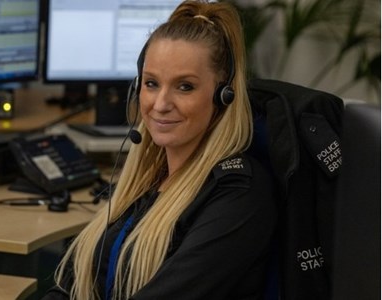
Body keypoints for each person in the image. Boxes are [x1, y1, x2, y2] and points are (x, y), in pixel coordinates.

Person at [43, 0, 277, 299]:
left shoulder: (239, 196)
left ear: (224, 95)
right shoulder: (146, 182)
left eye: (185, 87)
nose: (161, 104)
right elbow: (72, 288)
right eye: (152, 83)